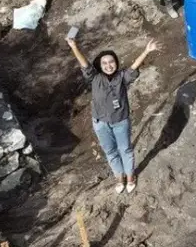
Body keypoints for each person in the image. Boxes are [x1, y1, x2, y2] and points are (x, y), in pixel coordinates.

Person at [66, 35, 159, 194]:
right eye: (105, 63)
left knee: (126, 150)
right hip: (100, 123)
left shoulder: (122, 77)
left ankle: (130, 177)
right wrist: (74, 47)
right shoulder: (94, 78)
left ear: (116, 63)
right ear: (100, 65)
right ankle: (119, 177)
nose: (109, 65)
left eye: (112, 62)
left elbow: (133, 68)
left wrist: (146, 51)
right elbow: (84, 64)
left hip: (120, 121)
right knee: (110, 152)